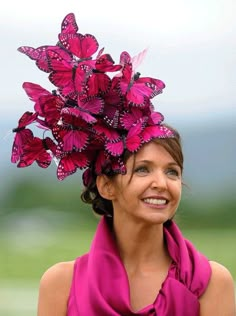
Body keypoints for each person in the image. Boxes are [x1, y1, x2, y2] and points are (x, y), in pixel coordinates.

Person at [11, 12, 235, 316]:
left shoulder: (210, 282)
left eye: (172, 171)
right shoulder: (61, 283)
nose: (162, 182)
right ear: (106, 185)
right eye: (143, 169)